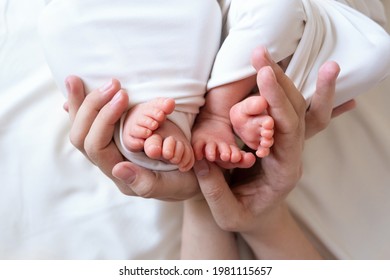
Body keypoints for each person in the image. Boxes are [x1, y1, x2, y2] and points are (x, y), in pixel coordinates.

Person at [39, 0, 390, 172]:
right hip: (177, 37)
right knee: (67, 15)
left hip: (286, 25)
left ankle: (230, 112)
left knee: (374, 52)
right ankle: (167, 118)